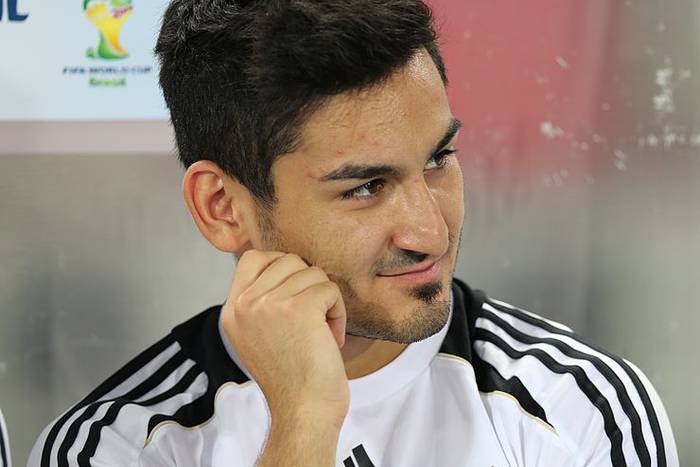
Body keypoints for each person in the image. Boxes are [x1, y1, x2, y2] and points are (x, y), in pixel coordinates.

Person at [29, 1, 678, 466]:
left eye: (439, 159)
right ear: (223, 207)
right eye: (365, 187)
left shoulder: (582, 406)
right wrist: (304, 424)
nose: (430, 231)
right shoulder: (110, 447)